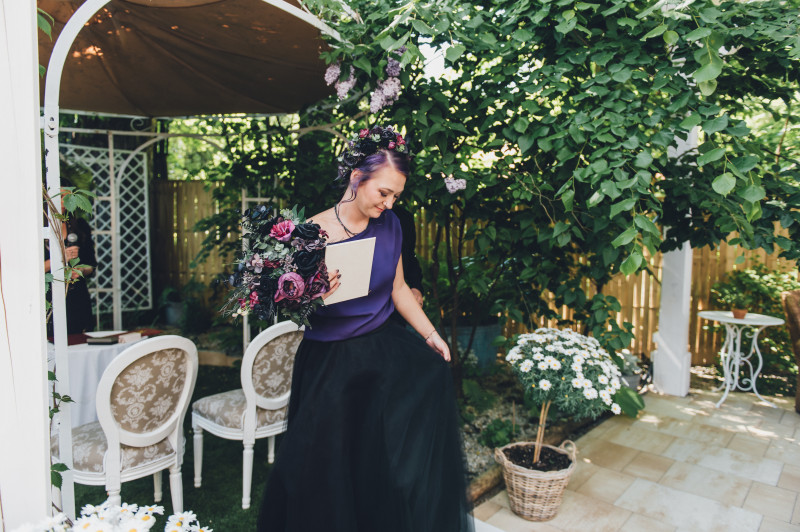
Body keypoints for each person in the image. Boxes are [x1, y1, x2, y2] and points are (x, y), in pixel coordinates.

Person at [257, 125, 474, 532]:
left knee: (378, 466)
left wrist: (430, 334)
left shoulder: (391, 226)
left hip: (381, 357)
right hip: (329, 366)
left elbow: (398, 290)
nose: (390, 204)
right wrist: (311, 294)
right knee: (325, 472)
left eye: (396, 196)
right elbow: (288, 306)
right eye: (384, 193)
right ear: (358, 178)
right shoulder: (310, 234)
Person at [45, 206, 97, 335]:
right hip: (48, 296)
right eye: (61, 196)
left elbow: (91, 265)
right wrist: (60, 257)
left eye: (67, 197)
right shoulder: (38, 227)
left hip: (76, 296)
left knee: (78, 339)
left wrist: (80, 270)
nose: (63, 202)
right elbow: (32, 269)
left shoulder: (79, 226)